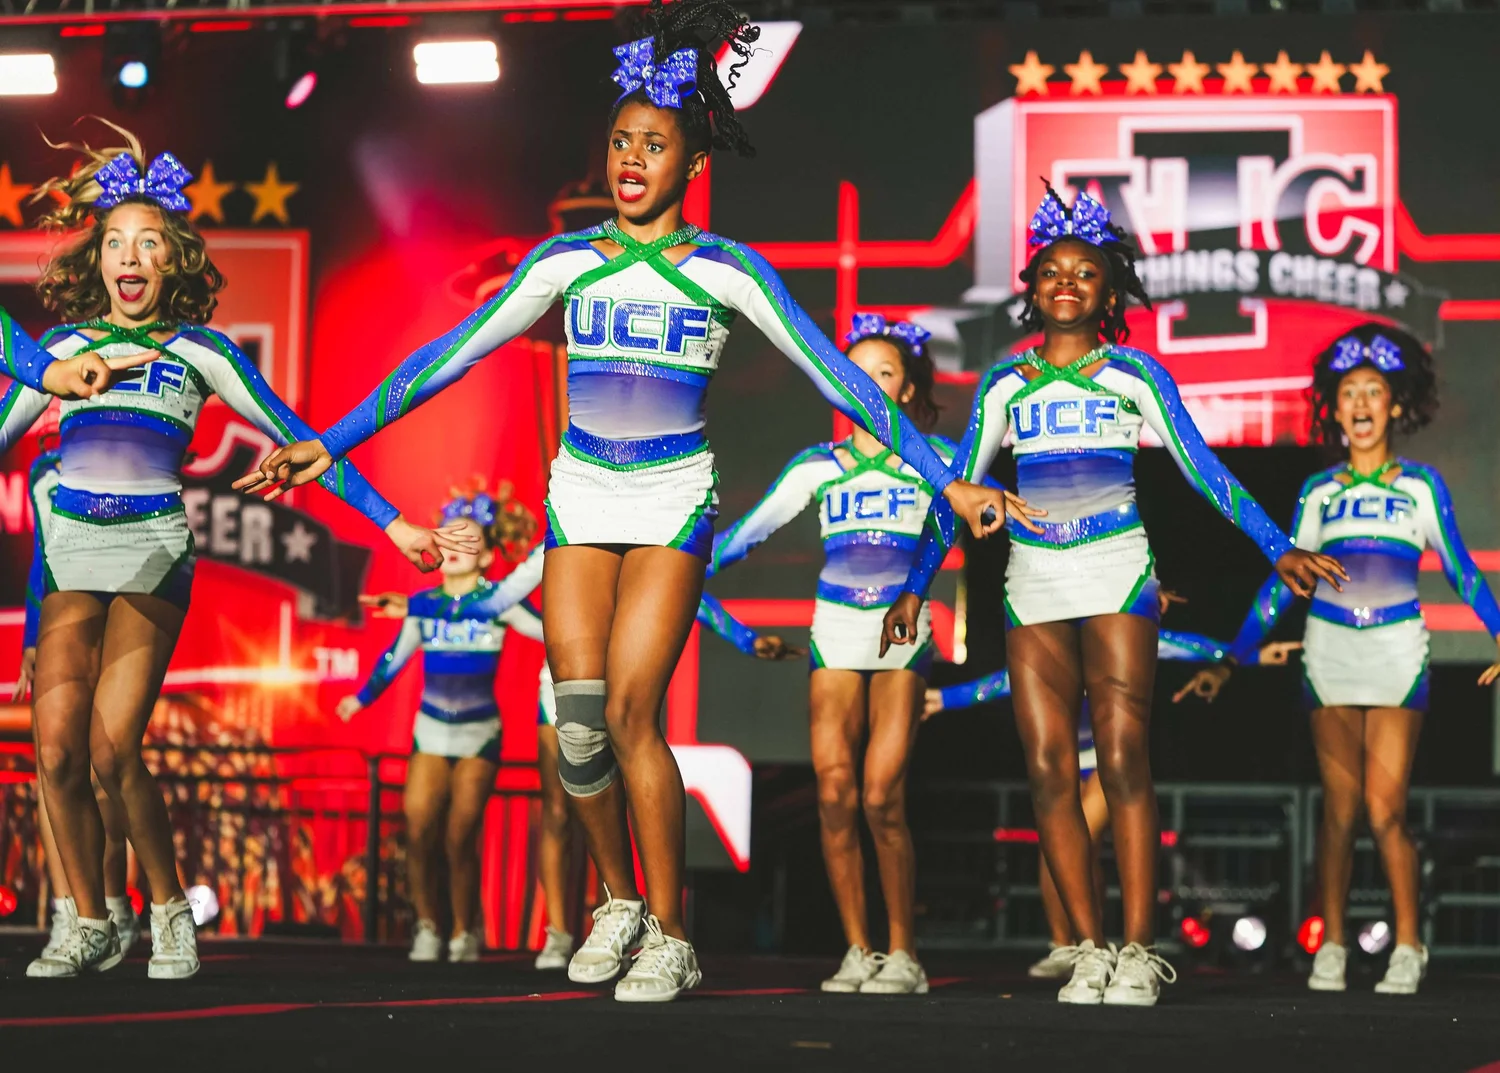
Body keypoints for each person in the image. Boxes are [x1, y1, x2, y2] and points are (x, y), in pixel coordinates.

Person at [236, 0, 1016, 1002]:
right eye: (619, 142)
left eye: (653, 143)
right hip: (581, 494)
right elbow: (448, 355)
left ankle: (673, 934)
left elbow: (842, 379)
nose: (632, 158)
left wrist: (945, 475)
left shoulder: (728, 270)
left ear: (692, 161)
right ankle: (618, 900)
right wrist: (330, 440)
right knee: (577, 723)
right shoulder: (564, 262)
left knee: (633, 711)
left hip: (673, 499)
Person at [0, 121, 463, 978]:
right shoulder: (58, 352)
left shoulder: (202, 352)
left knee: (111, 749)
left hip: (152, 550)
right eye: (115, 242)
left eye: (148, 242)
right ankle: (85, 919)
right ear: (97, 258)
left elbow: (301, 439)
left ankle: (169, 909)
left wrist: (394, 523)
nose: (131, 256)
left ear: (173, 259)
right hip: (70, 551)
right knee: (56, 750)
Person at [882, 184, 1346, 1006]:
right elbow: (956, 490)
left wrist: (1278, 547)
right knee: (1048, 769)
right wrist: (916, 585)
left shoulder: (1134, 373)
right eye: (1052, 271)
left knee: (1125, 756)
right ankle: (1088, 948)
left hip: (1117, 571)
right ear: (1032, 288)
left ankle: (1139, 948)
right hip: (1033, 580)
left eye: (1085, 272)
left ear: (1109, 292)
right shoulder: (1003, 383)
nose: (1066, 281)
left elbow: (1204, 468)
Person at [1175, 325, 1500, 997]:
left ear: (1396, 405)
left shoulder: (1421, 486)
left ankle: (1408, 945)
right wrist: (1232, 658)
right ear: (1335, 407)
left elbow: (1463, 570)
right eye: (1349, 392)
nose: (1360, 403)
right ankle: (1333, 944)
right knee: (1339, 812)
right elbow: (1282, 584)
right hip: (1330, 652)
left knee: (1385, 812)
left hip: (1397, 652)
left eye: (1373, 392)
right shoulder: (1319, 491)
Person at [707, 314, 959, 995]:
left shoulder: (935, 458)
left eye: (884, 372)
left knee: (882, 796)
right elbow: (746, 534)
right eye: (855, 372)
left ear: (907, 389)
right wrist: (677, 565)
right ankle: (857, 948)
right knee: (835, 793)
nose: (867, 384)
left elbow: (961, 521)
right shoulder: (818, 464)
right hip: (837, 629)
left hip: (903, 632)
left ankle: (904, 951)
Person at [927, 625, 1296, 977]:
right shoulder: (1058, 640)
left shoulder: (1122, 629)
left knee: (1081, 837)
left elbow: (1187, 646)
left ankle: (1094, 942)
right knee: (1056, 848)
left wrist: (1248, 656)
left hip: (1106, 757)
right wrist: (944, 698)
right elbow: (1006, 681)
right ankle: (1064, 945)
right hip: (1068, 756)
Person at [341, 485, 543, 963]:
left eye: (467, 541)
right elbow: (393, 658)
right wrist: (360, 698)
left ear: (488, 556)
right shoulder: (424, 604)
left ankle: (465, 930)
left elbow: (549, 630)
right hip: (430, 731)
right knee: (417, 831)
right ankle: (428, 926)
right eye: (446, 539)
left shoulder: (499, 602)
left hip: (479, 735)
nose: (452, 549)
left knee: (459, 837)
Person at [12, 444, 142, 973]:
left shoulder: (127, 447)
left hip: (119, 613)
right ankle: (69, 914)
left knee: (103, 766)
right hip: (60, 618)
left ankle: (112, 902)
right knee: (55, 766)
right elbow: (42, 556)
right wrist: (31, 636)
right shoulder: (44, 472)